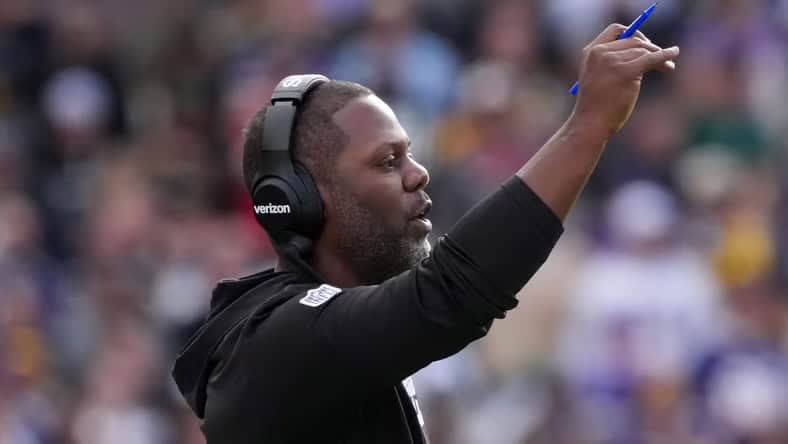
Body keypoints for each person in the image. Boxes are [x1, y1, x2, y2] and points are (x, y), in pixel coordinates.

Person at [172, 24, 680, 443]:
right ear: (305, 196)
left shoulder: (344, 339)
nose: (418, 174)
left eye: (410, 153)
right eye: (387, 161)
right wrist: (587, 125)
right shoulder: (281, 339)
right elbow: (449, 293)